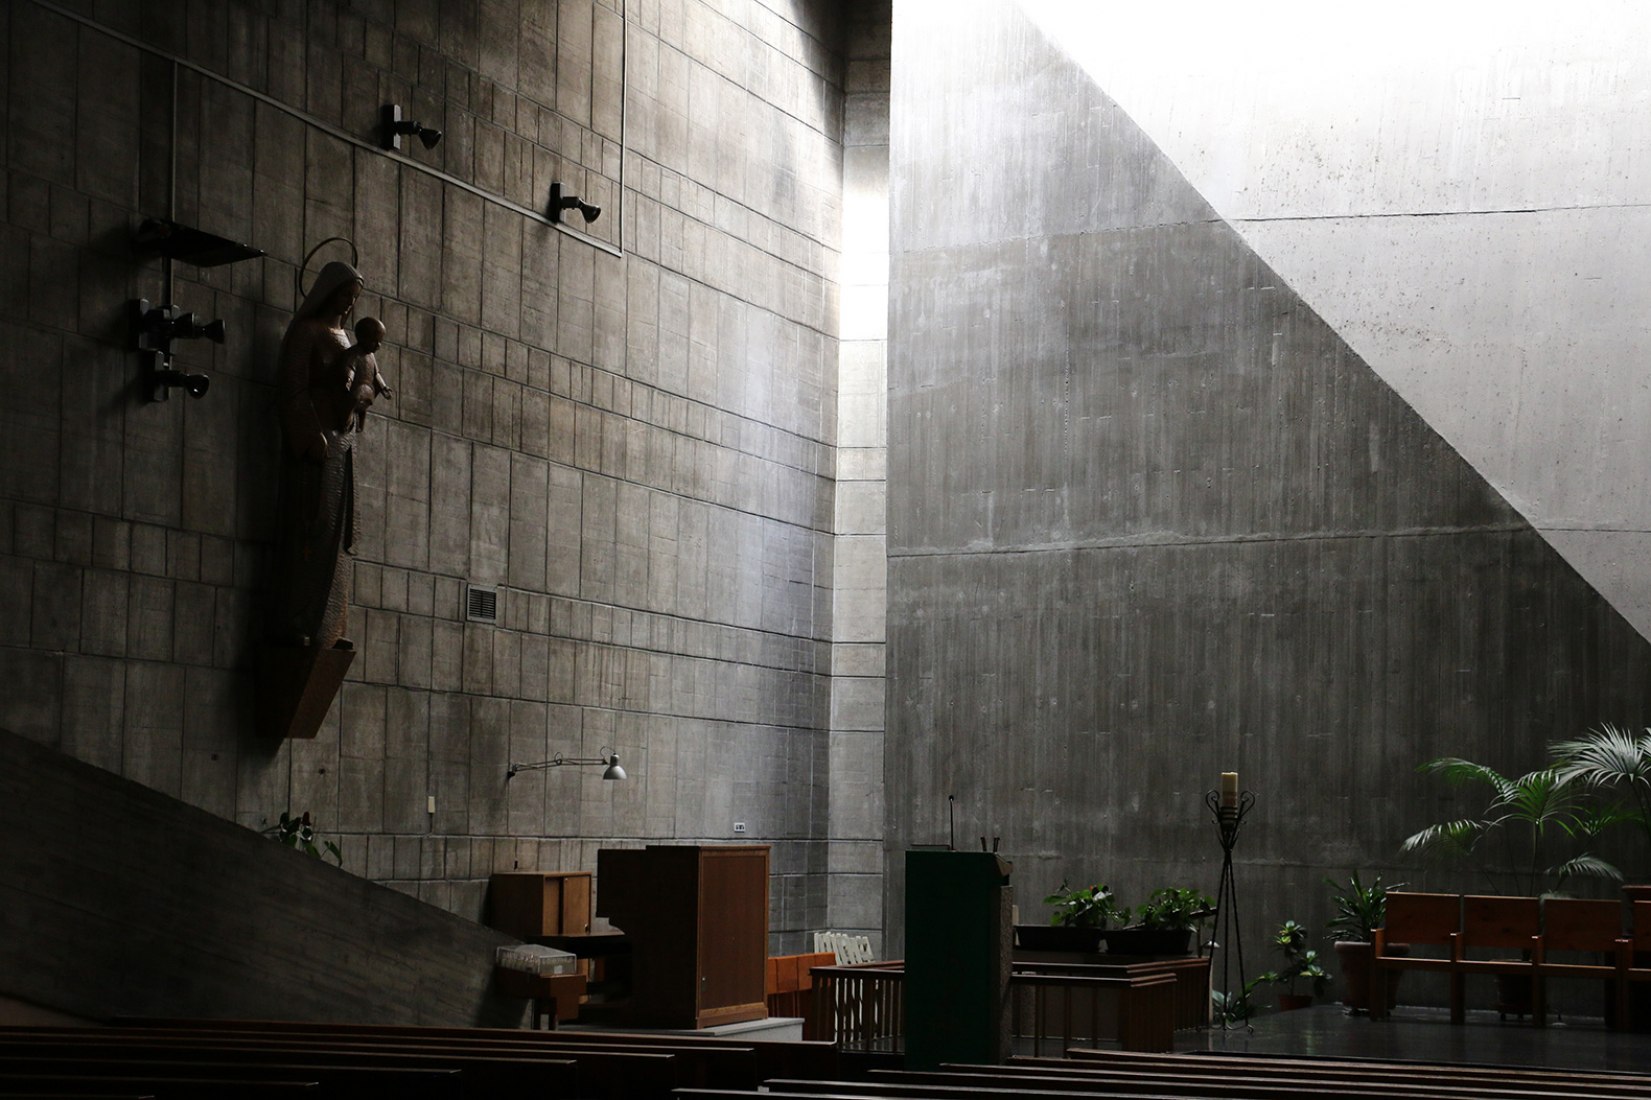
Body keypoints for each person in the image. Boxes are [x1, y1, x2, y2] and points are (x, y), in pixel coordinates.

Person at [267, 261, 388, 650]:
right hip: (317, 442)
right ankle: (300, 621)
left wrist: (362, 398)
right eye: (344, 296)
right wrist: (309, 433)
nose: (349, 305)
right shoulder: (307, 332)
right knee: (311, 524)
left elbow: (366, 384)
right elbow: (293, 389)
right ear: (327, 293)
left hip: (343, 442)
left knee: (340, 536)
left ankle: (329, 626)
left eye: (354, 299)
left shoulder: (352, 343)